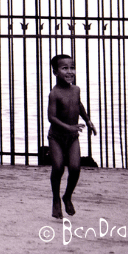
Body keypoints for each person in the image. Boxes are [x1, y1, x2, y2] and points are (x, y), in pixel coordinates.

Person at [47, 54, 96, 219]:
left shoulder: (76, 90)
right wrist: (68, 126)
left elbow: (79, 105)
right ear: (55, 72)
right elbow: (51, 118)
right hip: (56, 138)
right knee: (59, 167)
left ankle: (67, 196)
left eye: (72, 67)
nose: (70, 72)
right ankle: (55, 199)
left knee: (75, 168)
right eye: (64, 68)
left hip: (72, 137)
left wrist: (88, 120)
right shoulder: (54, 93)